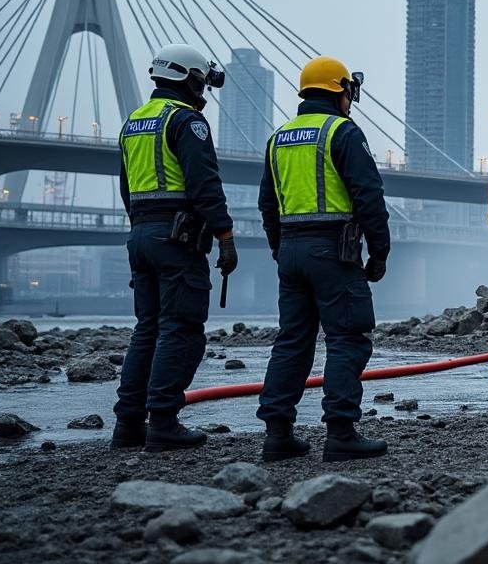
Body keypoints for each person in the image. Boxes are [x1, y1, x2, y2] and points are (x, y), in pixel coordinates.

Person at [256, 56, 391, 462]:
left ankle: (278, 434)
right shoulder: (342, 131)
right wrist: (379, 250)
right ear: (341, 90)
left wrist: (279, 248)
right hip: (333, 251)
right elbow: (369, 194)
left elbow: (267, 202)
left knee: (292, 342)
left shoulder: (279, 136)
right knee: (348, 338)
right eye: (350, 91)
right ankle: (341, 432)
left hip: (291, 251)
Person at [113, 43, 236, 452]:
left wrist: (142, 231)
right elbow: (204, 185)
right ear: (191, 78)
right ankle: (164, 421)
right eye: (202, 81)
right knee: (180, 329)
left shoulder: (134, 122)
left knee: (146, 329)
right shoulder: (187, 121)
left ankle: (129, 424)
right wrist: (225, 235)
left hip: (141, 236)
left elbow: (127, 188)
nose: (204, 90)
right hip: (177, 240)